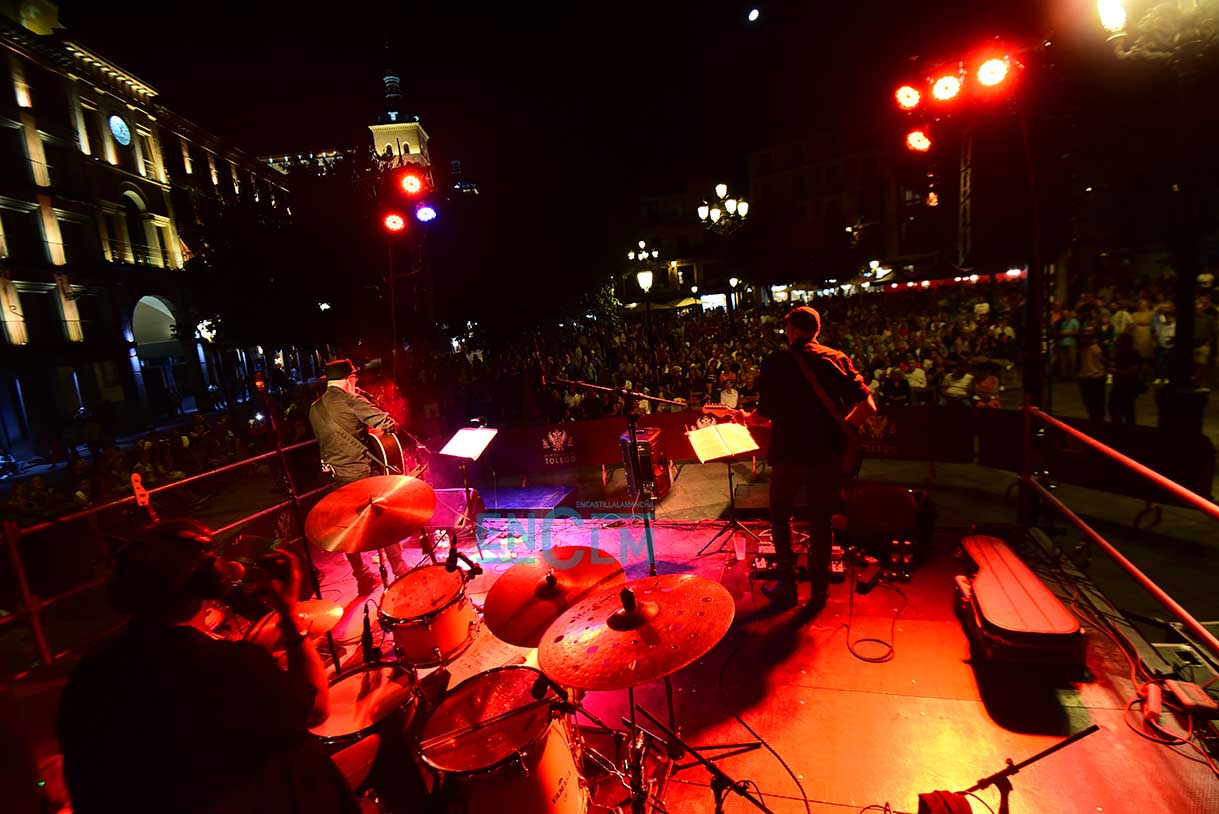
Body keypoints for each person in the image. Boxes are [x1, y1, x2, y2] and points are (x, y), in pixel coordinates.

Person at [57, 519, 356, 814]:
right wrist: (289, 615)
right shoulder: (227, 664)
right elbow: (316, 709)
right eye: (213, 556)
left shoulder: (89, 674)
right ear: (210, 581)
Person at [740, 306, 876, 614]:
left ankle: (788, 589)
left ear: (791, 330)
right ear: (817, 330)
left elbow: (764, 414)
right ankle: (819, 594)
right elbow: (868, 406)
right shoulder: (836, 358)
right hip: (826, 455)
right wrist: (843, 428)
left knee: (780, 518)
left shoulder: (777, 362)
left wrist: (749, 418)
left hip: (788, 455)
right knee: (821, 521)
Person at [308, 359, 409, 594]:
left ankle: (362, 578)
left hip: (334, 475)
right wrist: (378, 426)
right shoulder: (352, 400)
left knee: (347, 527)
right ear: (349, 379)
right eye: (355, 378)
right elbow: (387, 423)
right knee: (382, 520)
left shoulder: (315, 408)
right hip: (360, 474)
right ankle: (399, 569)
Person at [1077, 328, 1107, 422]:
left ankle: (1097, 420)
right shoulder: (1083, 347)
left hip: (1094, 377)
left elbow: (1103, 360)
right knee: (1092, 403)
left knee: (1095, 403)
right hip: (1089, 377)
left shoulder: (1093, 347)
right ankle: (1096, 420)